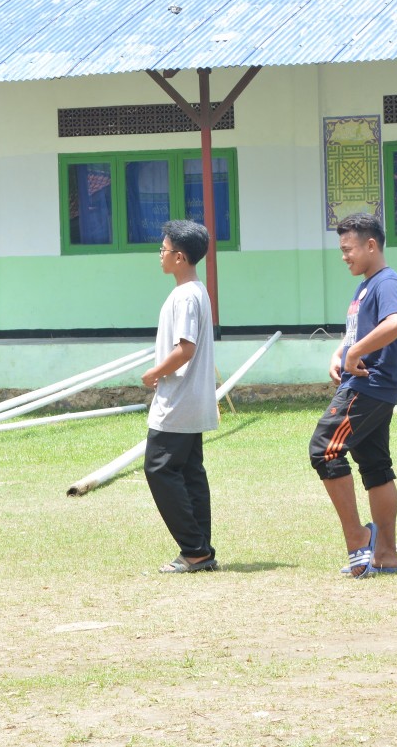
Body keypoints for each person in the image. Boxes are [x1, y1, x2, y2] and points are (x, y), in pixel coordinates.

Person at [309, 213, 397, 578]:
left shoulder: (387, 282)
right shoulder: (367, 285)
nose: (344, 256)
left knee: (324, 450)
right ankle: (386, 556)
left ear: (371, 245)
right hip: (372, 388)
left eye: (348, 249)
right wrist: (341, 352)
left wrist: (355, 354)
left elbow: (395, 323)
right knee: (376, 467)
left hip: (368, 386)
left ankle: (358, 537)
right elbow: (360, 331)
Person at [142, 220, 219, 574]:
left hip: (179, 401)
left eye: (164, 250)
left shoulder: (187, 295)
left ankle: (194, 548)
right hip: (190, 400)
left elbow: (184, 349)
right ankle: (200, 549)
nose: (160, 255)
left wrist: (155, 372)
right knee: (189, 473)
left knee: (158, 469)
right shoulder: (193, 291)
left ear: (181, 257)